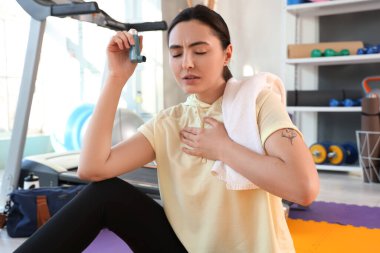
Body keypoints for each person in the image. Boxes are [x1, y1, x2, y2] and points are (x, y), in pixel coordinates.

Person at [15, 4, 319, 253]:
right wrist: (116, 78)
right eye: (176, 53)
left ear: (227, 53)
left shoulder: (257, 102)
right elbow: (92, 169)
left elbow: (304, 188)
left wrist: (224, 148)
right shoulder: (169, 122)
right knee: (104, 194)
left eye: (199, 51)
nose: (186, 63)